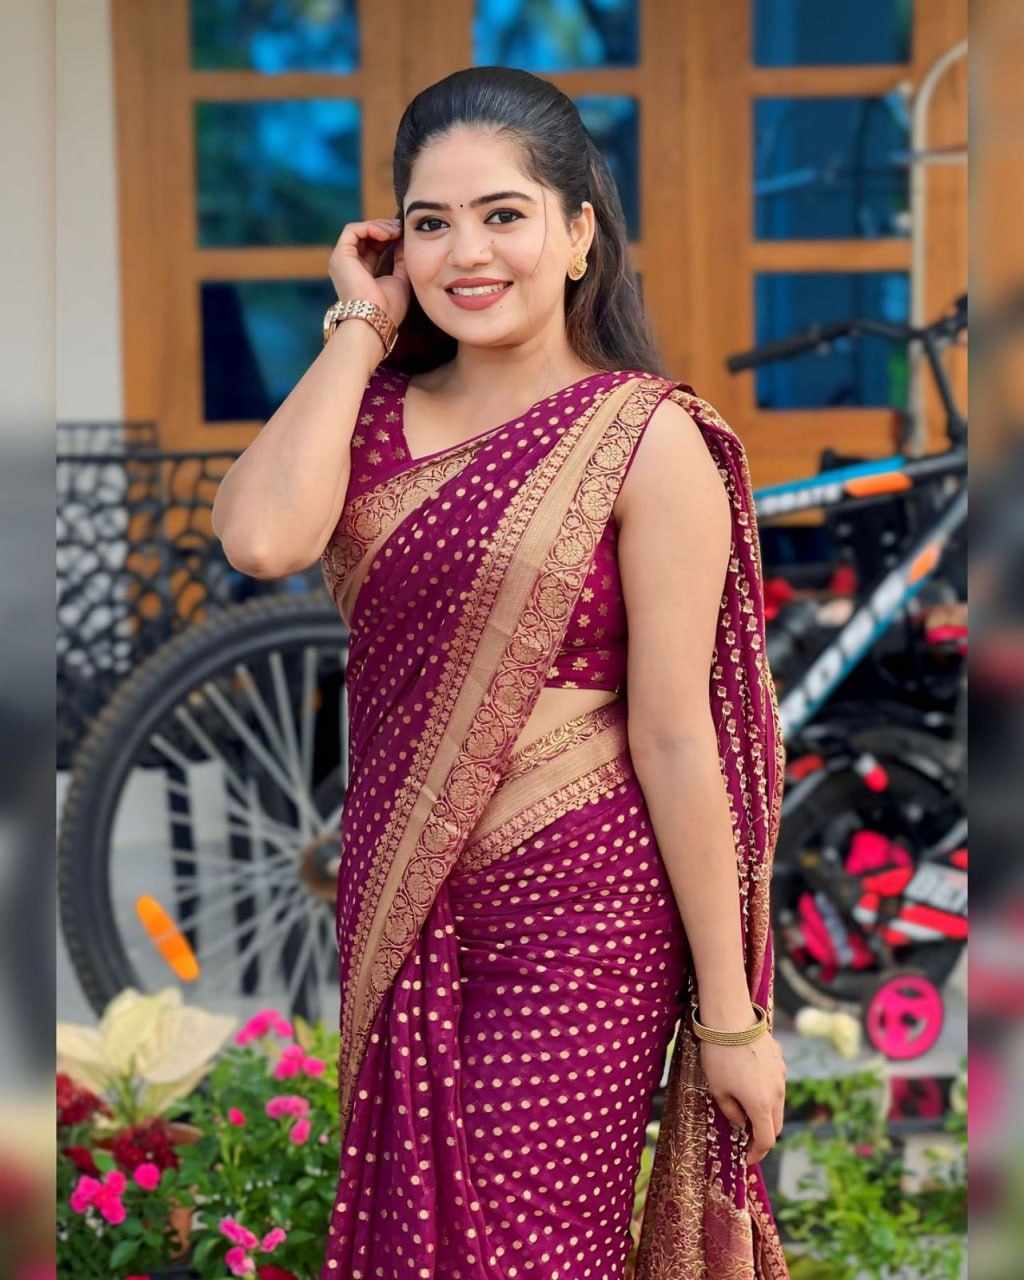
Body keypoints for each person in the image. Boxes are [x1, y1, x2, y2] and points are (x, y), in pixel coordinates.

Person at [214, 64, 789, 1280]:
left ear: (578, 234)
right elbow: (260, 538)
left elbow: (676, 735)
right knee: (414, 1245)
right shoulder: (369, 412)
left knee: (535, 1250)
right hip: (405, 900)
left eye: (503, 214)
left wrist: (731, 1016)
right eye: (431, 222)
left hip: (584, 915)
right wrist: (359, 323)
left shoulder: (647, 437)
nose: (466, 252)